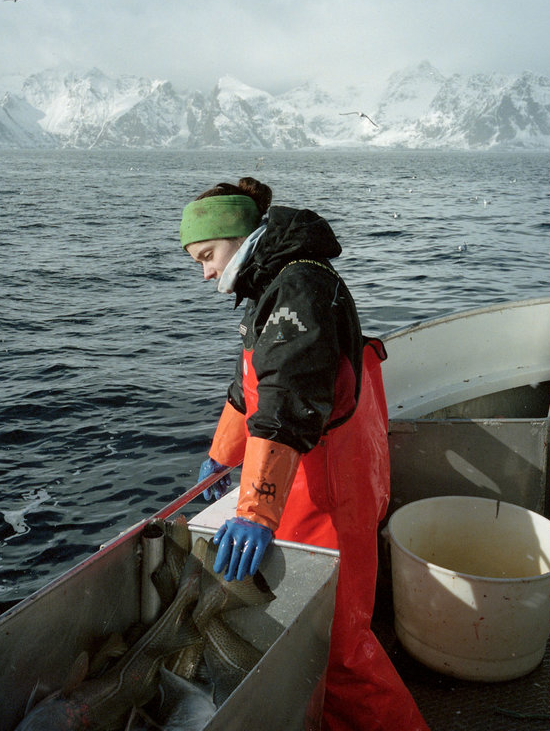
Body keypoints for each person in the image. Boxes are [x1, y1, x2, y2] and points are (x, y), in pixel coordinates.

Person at [180, 177, 429, 731]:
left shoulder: (299, 289)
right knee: (323, 640)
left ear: (237, 236)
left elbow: (286, 401)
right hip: (313, 481)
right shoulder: (274, 285)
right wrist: (222, 458)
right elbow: (252, 389)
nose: (206, 273)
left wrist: (255, 510)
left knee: (339, 650)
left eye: (208, 256)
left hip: (332, 495)